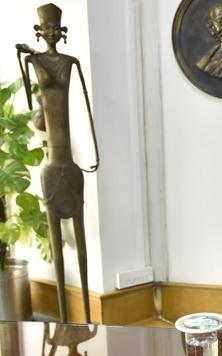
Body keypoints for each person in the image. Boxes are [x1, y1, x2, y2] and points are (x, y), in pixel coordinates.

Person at [16, 3, 99, 324]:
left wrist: (96, 155)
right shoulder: (31, 60)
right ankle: (64, 323)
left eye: (56, 30)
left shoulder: (71, 62)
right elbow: (32, 113)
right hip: (51, 166)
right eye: (46, 30)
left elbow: (88, 112)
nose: (51, 34)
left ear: (61, 32)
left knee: (80, 250)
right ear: (41, 31)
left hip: (71, 166)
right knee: (58, 245)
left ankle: (89, 319)